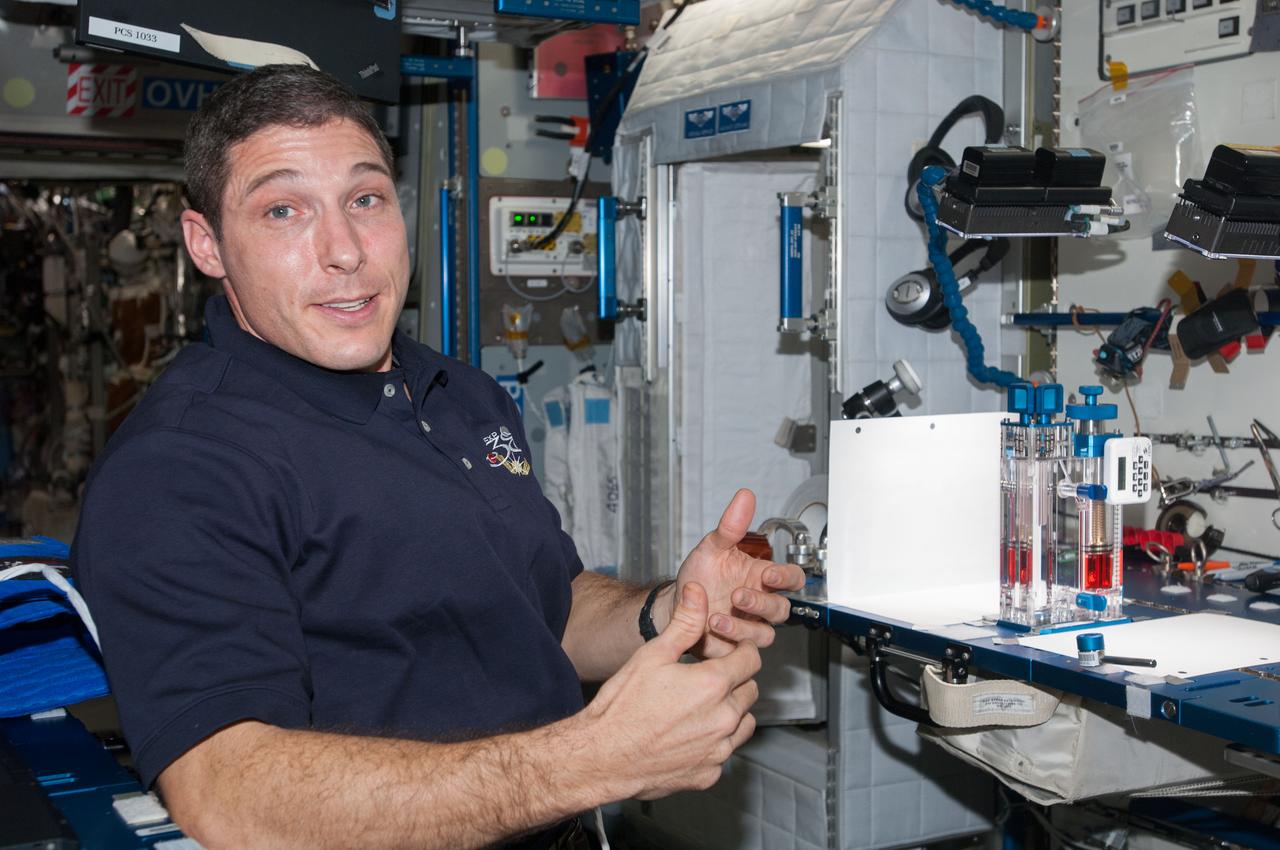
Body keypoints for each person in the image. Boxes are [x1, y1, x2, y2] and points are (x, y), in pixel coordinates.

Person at [72, 64, 806, 850]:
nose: (345, 251)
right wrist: (591, 760)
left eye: (365, 199)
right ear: (207, 244)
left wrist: (669, 608)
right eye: (283, 211)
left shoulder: (460, 395)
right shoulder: (181, 466)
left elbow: (545, 607)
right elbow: (228, 799)